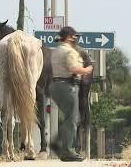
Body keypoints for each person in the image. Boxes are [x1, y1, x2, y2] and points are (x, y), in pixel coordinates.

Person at [49, 26, 93, 162]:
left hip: (55, 86)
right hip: (67, 86)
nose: (76, 39)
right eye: (75, 36)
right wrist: (86, 70)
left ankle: (57, 144)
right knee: (73, 119)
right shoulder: (69, 51)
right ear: (69, 37)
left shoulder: (57, 50)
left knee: (70, 118)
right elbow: (73, 68)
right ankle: (68, 151)